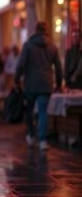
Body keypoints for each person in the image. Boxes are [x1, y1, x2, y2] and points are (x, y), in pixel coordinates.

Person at [15, 21, 62, 151]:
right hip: (46, 84)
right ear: (46, 30)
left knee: (29, 111)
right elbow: (58, 68)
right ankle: (42, 140)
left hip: (30, 84)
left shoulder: (28, 46)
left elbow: (21, 65)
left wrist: (16, 80)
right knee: (43, 112)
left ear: (35, 30)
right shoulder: (52, 47)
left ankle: (31, 135)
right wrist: (58, 84)